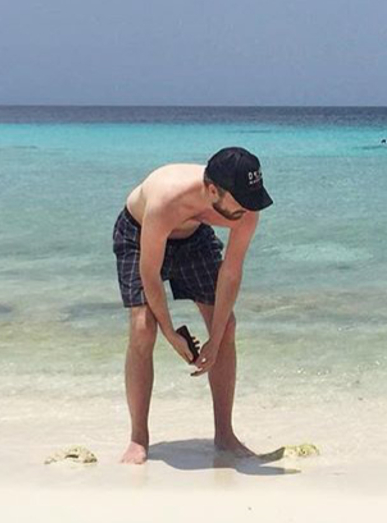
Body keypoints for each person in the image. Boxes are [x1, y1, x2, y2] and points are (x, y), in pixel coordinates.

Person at [112, 147, 272, 464]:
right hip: (139, 233)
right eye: (240, 201)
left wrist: (214, 336)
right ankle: (138, 438)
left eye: (251, 200)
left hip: (194, 238)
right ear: (213, 190)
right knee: (144, 329)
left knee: (227, 328)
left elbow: (231, 271)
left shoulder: (246, 206)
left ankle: (225, 435)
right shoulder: (166, 197)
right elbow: (150, 272)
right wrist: (170, 332)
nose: (248, 209)